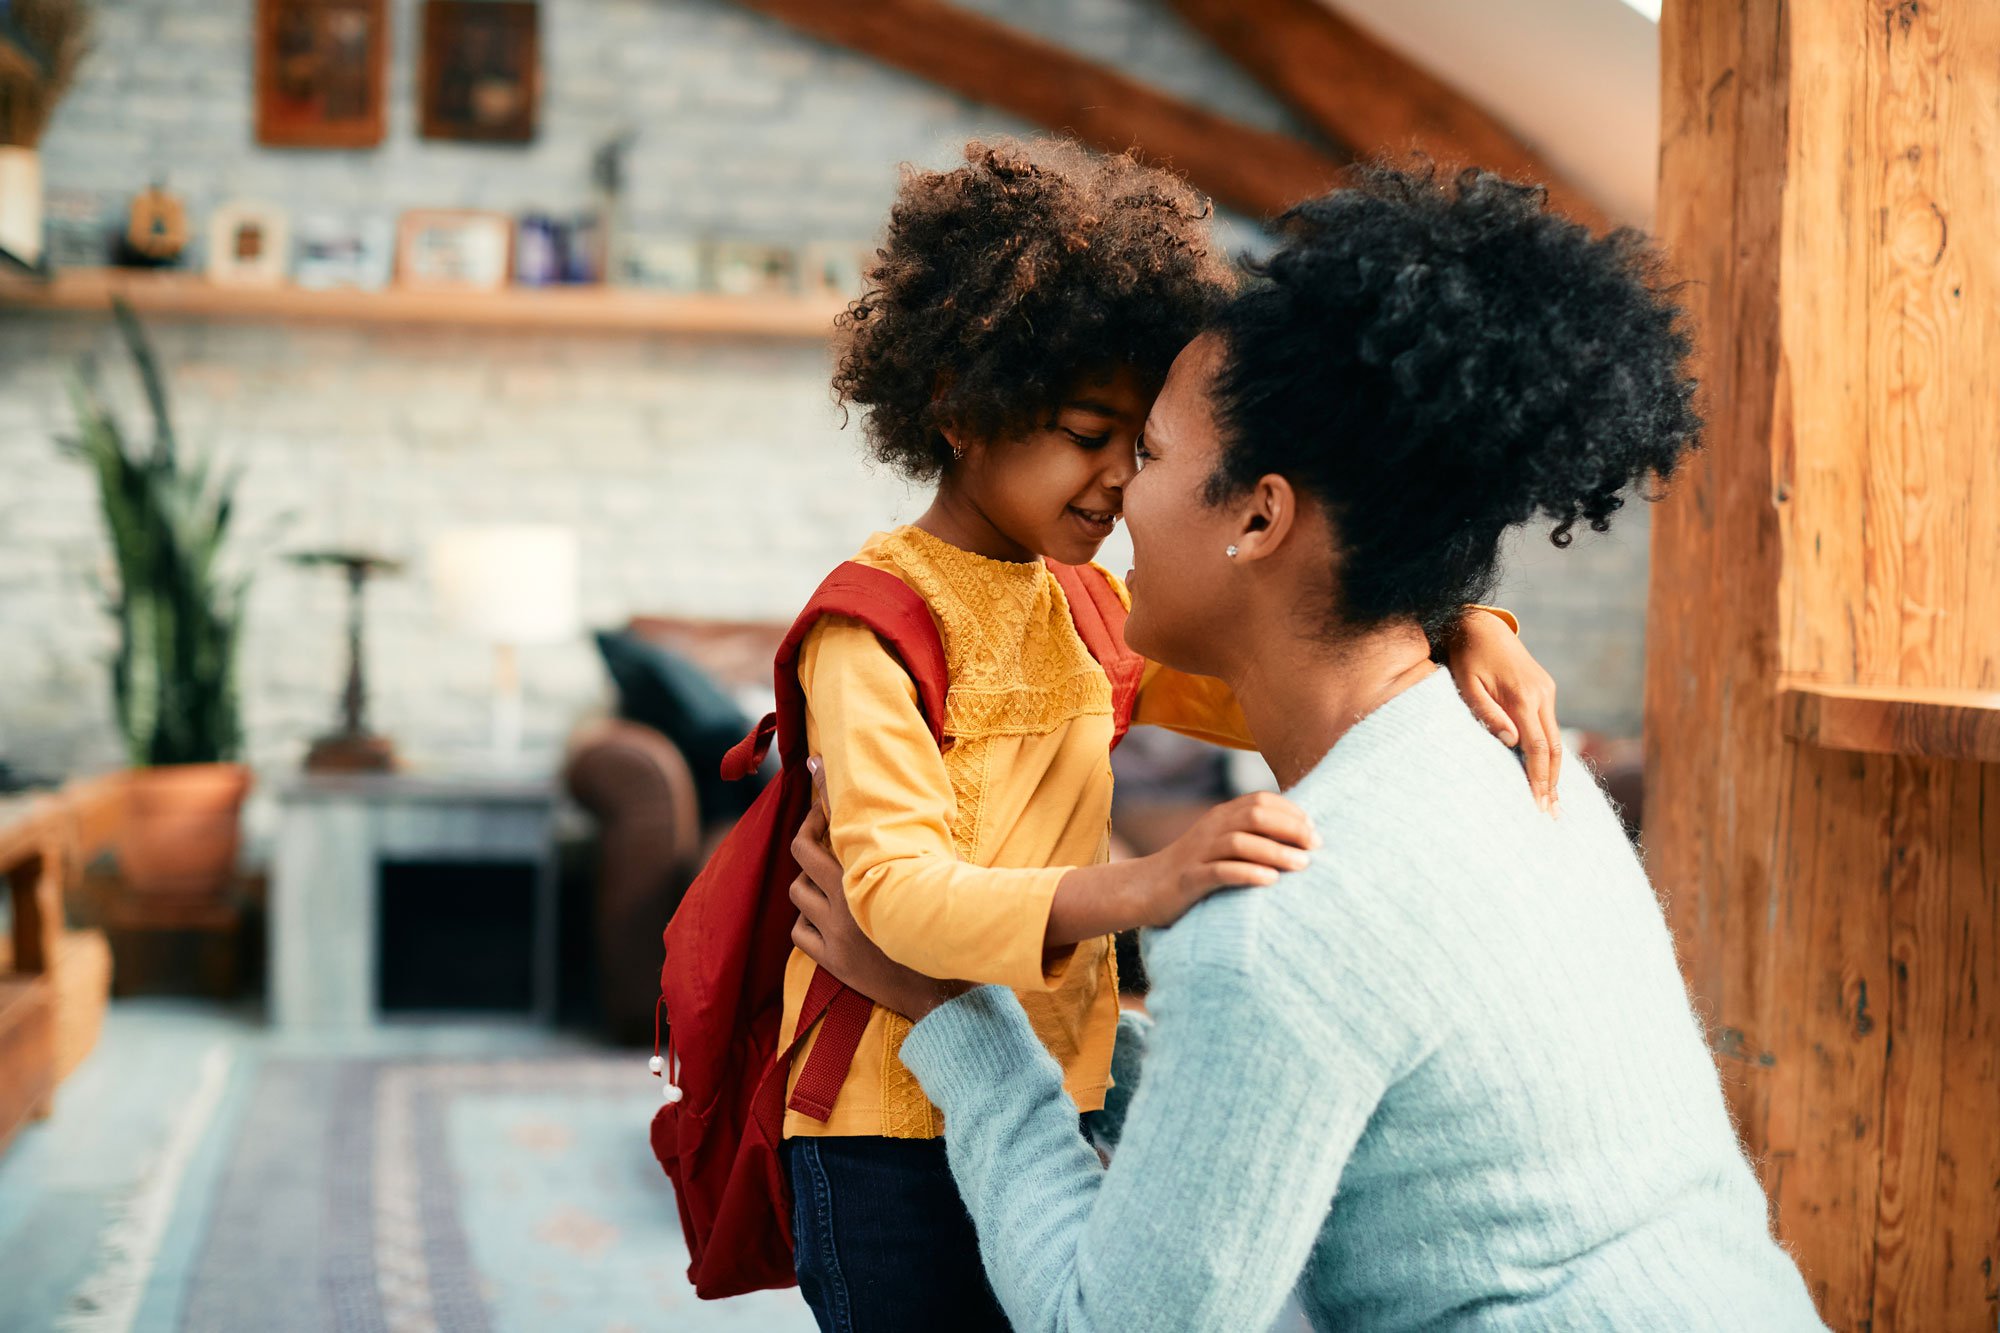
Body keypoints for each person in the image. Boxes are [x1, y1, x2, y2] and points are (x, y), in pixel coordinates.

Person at [788, 163, 1828, 1331]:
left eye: (1156, 451)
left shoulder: (1277, 926)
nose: (1122, 493)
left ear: (1259, 515)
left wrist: (954, 1013)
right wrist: (1460, 623)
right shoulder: (1518, 763)